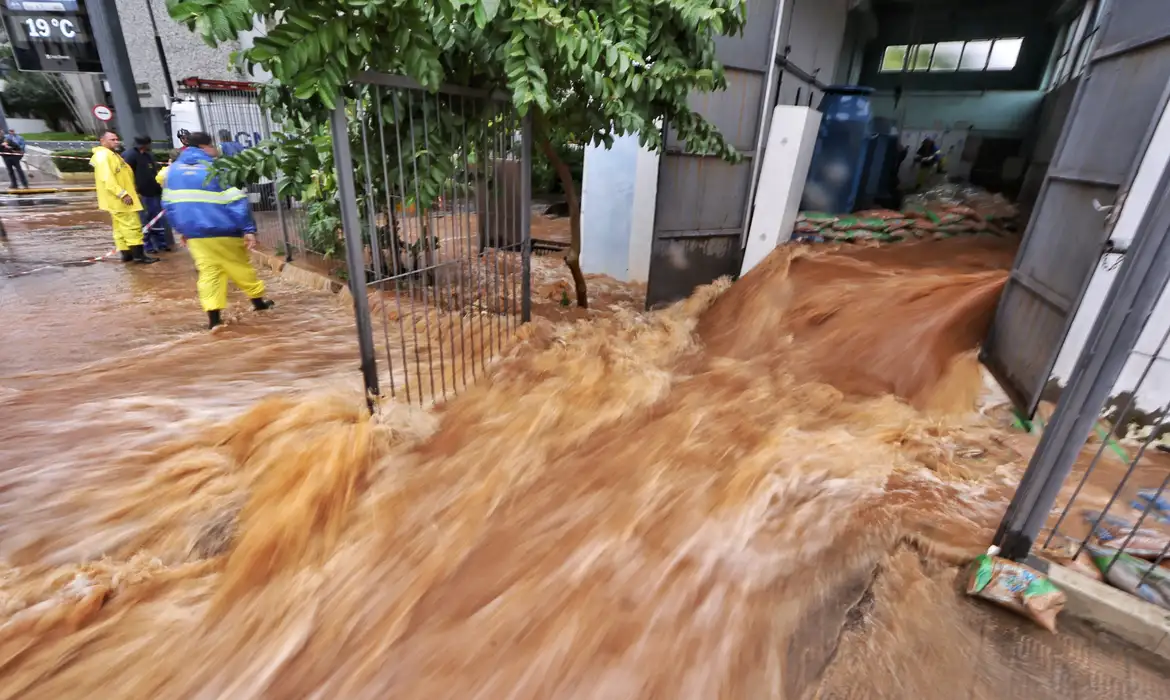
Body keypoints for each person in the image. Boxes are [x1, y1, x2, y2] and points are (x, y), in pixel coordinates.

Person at [162, 131, 274, 330]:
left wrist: (182, 229)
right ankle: (259, 304)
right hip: (223, 229)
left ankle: (214, 320)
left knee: (209, 274)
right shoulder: (217, 167)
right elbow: (236, 201)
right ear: (205, 147)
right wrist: (248, 229)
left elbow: (169, 204)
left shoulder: (174, 171)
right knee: (240, 267)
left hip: (195, 234)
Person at [91, 131, 157, 264]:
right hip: (120, 200)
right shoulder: (104, 156)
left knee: (120, 229)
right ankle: (139, 256)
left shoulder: (112, 155)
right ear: (102, 141)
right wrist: (122, 194)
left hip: (116, 200)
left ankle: (127, 255)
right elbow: (107, 178)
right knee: (133, 227)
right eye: (112, 139)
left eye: (116, 139)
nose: (116, 142)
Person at [123, 136, 170, 253]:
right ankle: (147, 246)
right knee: (144, 220)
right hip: (141, 194)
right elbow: (126, 176)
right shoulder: (130, 156)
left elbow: (154, 171)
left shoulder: (148, 155)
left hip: (153, 192)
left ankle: (161, 244)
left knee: (156, 219)